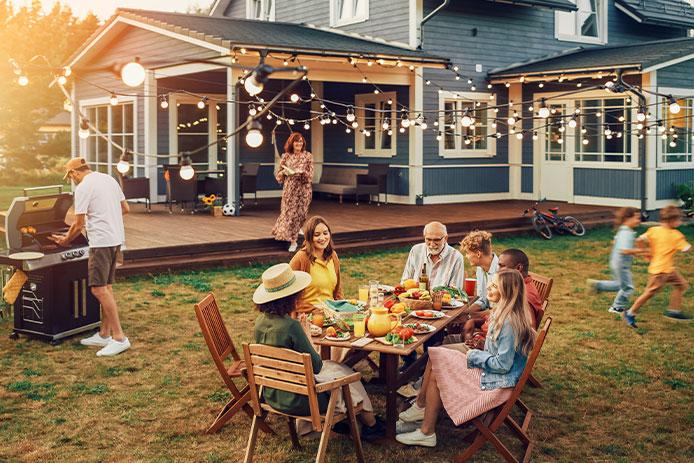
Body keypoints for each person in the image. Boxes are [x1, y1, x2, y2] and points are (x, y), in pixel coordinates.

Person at [395, 270, 537, 447]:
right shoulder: (504, 313)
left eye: (494, 286)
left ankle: (426, 431)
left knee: (437, 373)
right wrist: (480, 347)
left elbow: (502, 364)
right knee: (436, 354)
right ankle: (422, 413)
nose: (488, 287)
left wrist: (474, 355)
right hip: (490, 370)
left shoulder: (509, 322)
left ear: (507, 292)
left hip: (495, 382)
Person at [252, 263, 385, 440]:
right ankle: (371, 424)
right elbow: (316, 367)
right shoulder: (292, 326)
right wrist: (306, 336)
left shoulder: (260, 323)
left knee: (337, 368)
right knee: (345, 375)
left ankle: (360, 423)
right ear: (291, 297)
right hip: (303, 400)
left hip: (273, 394)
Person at [51, 157, 130, 357]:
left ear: (73, 173)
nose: (73, 180)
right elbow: (125, 209)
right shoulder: (108, 179)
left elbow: (78, 225)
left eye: (70, 176)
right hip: (115, 239)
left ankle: (120, 338)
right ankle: (104, 334)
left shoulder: (84, 187)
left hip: (101, 243)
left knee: (98, 289)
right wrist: (107, 217)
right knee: (107, 287)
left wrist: (65, 241)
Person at [624, 205, 691, 328]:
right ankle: (630, 312)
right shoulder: (676, 235)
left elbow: (639, 240)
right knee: (649, 293)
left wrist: (645, 254)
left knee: (681, 285)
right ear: (672, 221)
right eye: (679, 220)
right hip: (661, 272)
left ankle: (674, 311)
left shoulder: (654, 230)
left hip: (668, 270)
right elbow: (687, 249)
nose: (680, 222)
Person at [587, 207, 644, 315]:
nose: (639, 221)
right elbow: (624, 250)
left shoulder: (623, 230)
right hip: (621, 264)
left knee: (619, 284)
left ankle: (597, 286)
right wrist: (637, 250)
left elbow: (614, 242)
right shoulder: (626, 233)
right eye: (637, 218)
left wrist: (631, 250)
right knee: (628, 287)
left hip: (616, 261)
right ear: (627, 218)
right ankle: (617, 307)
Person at [289, 216, 343, 314]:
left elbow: (338, 291)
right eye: (317, 235)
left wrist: (342, 310)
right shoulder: (301, 258)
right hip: (307, 316)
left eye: (325, 233)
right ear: (309, 237)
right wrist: (314, 309)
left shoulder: (333, 256)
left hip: (331, 315)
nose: (322, 238)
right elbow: (289, 294)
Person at [272, 133, 314, 252]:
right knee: (289, 214)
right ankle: (293, 241)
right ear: (292, 143)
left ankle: (296, 229)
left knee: (301, 214)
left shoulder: (308, 156)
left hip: (303, 190)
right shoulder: (286, 157)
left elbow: (310, 176)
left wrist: (302, 173)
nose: (299, 144)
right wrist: (284, 173)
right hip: (289, 190)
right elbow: (278, 176)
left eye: (301, 142)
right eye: (296, 142)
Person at [401, 222, 465, 289]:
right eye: (428, 239)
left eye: (436, 240)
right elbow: (405, 281)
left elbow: (455, 290)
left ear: (445, 239)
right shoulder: (416, 250)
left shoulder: (456, 257)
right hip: (415, 298)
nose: (432, 244)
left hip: (441, 298)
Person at [497, 249, 543, 328]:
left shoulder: (523, 297)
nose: (498, 271)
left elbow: (526, 331)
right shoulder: (517, 287)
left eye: (502, 266)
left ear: (518, 268)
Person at [460, 230, 498, 312]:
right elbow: (482, 301)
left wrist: (469, 316)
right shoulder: (480, 268)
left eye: (467, 253)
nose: (466, 256)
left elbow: (501, 311)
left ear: (478, 254)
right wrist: (464, 312)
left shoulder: (501, 273)